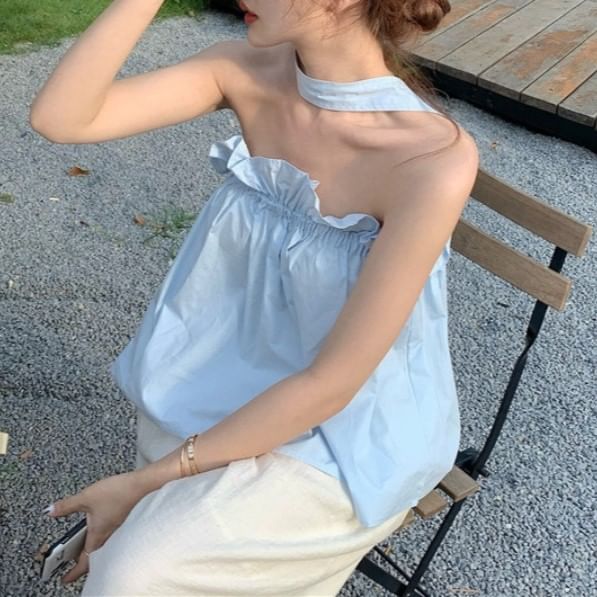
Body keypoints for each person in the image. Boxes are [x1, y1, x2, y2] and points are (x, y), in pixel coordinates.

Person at [30, 0, 479, 594]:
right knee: (137, 565)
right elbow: (61, 118)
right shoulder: (244, 71)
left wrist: (140, 486)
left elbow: (332, 385)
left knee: (132, 575)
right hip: (220, 380)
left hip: (348, 432)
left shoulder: (430, 160)